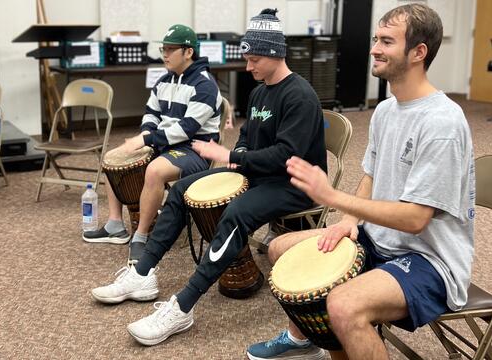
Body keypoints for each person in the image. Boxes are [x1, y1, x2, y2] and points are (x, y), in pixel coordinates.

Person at [247, 4, 475, 360]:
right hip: (377, 237)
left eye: (386, 41)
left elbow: (415, 219)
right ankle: (312, 343)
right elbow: (371, 174)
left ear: (418, 53)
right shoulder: (386, 110)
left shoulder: (442, 123)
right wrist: (348, 223)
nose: (373, 49)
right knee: (280, 249)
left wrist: (333, 197)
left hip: (430, 259)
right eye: (375, 39)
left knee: (343, 305)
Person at [90, 9, 327, 349]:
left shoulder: (299, 96)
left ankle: (182, 306)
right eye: (247, 59)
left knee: (234, 216)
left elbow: (284, 156)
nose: (248, 67)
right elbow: (247, 137)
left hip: (294, 184)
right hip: (260, 175)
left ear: (276, 54)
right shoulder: (260, 91)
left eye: (255, 59)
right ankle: (142, 273)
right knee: (183, 191)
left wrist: (232, 157)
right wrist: (238, 156)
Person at [82, 24, 222, 264]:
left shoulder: (205, 85)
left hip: (195, 150)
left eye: (170, 49)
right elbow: (151, 112)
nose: (164, 54)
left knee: (155, 171)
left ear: (188, 52)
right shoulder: (164, 80)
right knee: (112, 158)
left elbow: (186, 129)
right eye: (163, 49)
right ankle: (116, 224)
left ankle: (142, 235)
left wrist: (145, 139)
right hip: (165, 144)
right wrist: (147, 132)